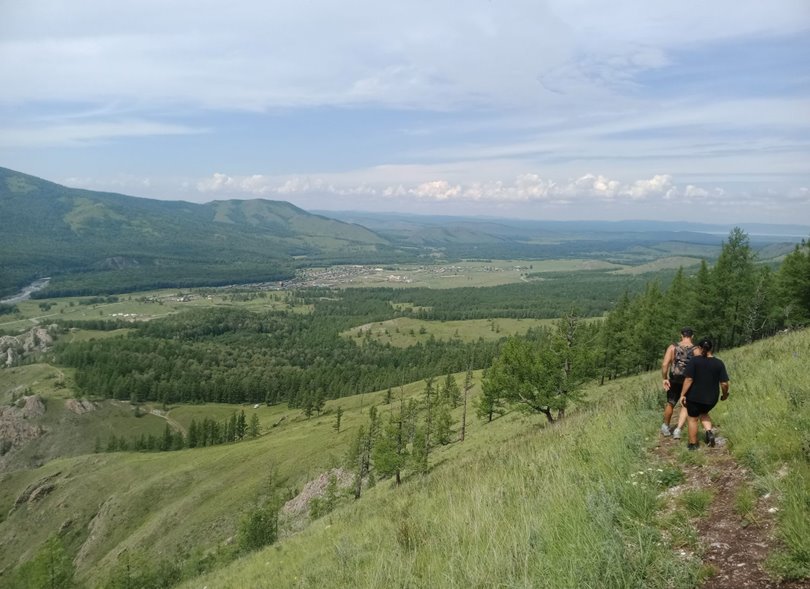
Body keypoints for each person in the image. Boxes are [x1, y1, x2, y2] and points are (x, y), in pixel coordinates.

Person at [680, 337, 730, 450]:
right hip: (711, 399)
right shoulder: (719, 363)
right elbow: (724, 383)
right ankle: (709, 432)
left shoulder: (694, 360)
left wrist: (682, 394)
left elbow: (688, 380)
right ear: (711, 348)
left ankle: (693, 444)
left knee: (692, 419)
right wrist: (725, 394)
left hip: (694, 397)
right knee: (704, 412)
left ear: (699, 348)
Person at [660, 327, 696, 437]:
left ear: (681, 335)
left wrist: (665, 378)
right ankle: (678, 430)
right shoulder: (696, 349)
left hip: (674, 379)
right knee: (684, 404)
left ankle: (666, 427)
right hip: (688, 380)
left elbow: (665, 364)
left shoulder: (673, 347)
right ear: (692, 336)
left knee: (670, 403)